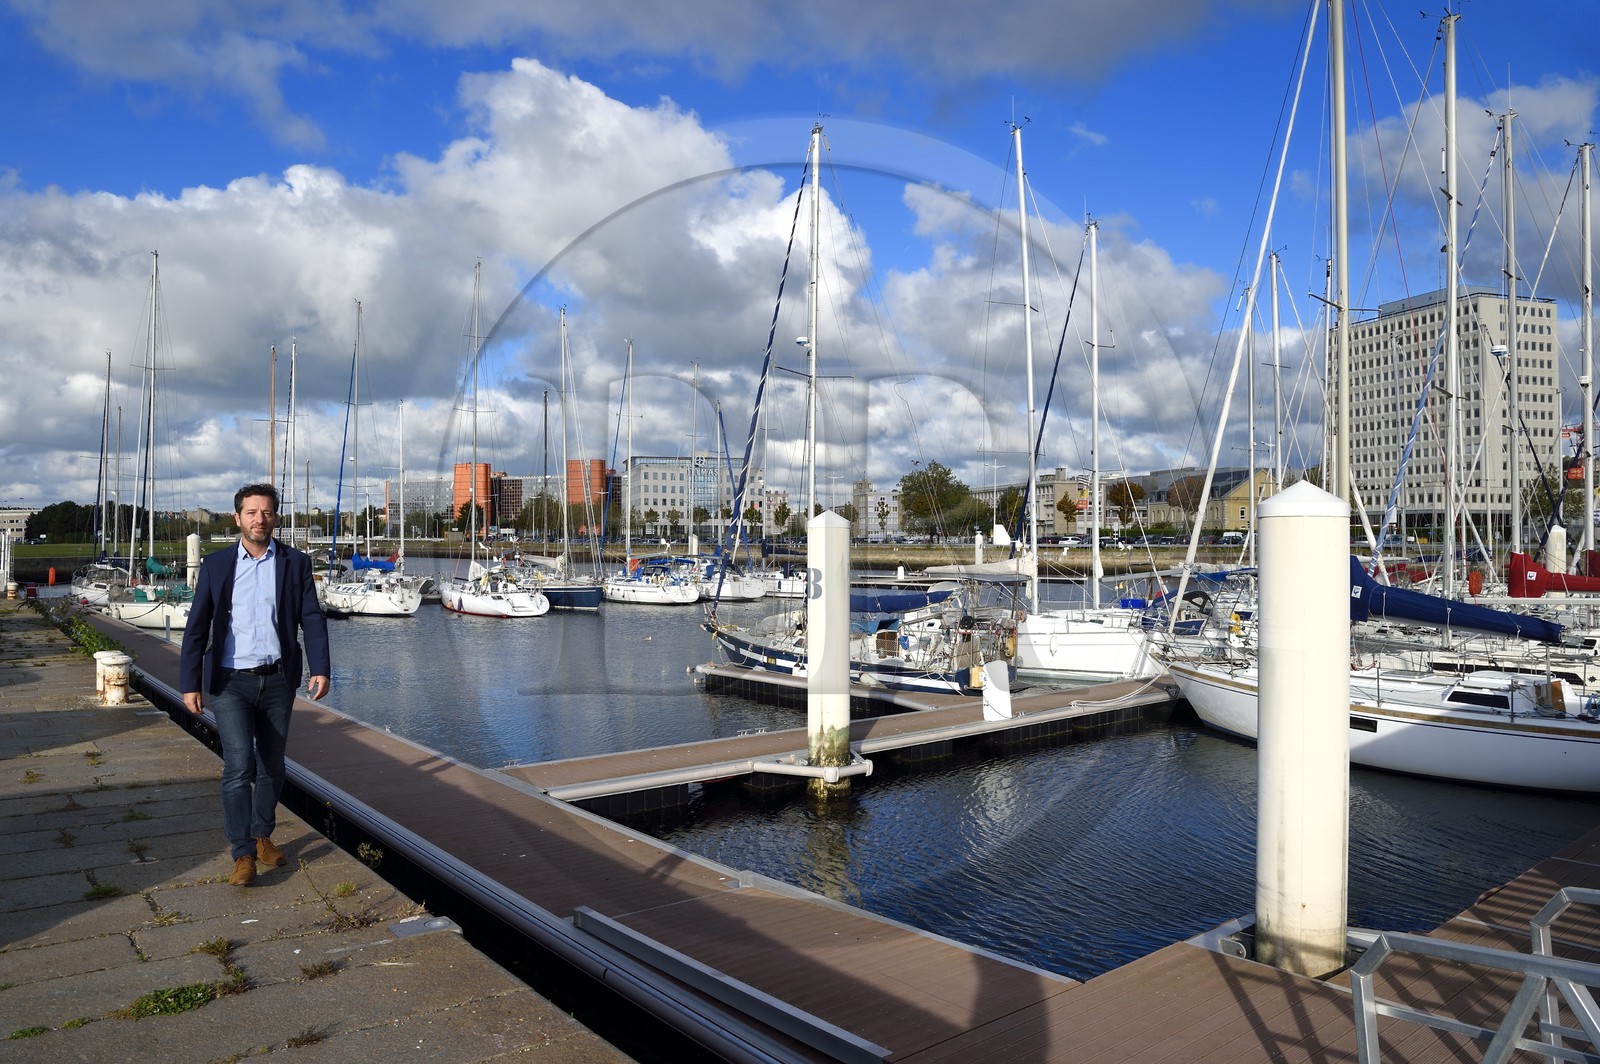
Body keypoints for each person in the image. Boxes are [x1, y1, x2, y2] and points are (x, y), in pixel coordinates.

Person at [180, 483, 331, 886]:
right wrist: (190, 683)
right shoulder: (216, 566)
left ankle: (262, 835)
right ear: (238, 518)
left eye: (265, 512)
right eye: (251, 512)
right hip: (230, 683)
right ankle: (242, 855)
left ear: (275, 517)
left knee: (272, 766)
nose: (259, 519)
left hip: (279, 680)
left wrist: (321, 668)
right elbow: (196, 629)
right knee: (238, 766)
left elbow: (311, 619)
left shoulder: (295, 563)